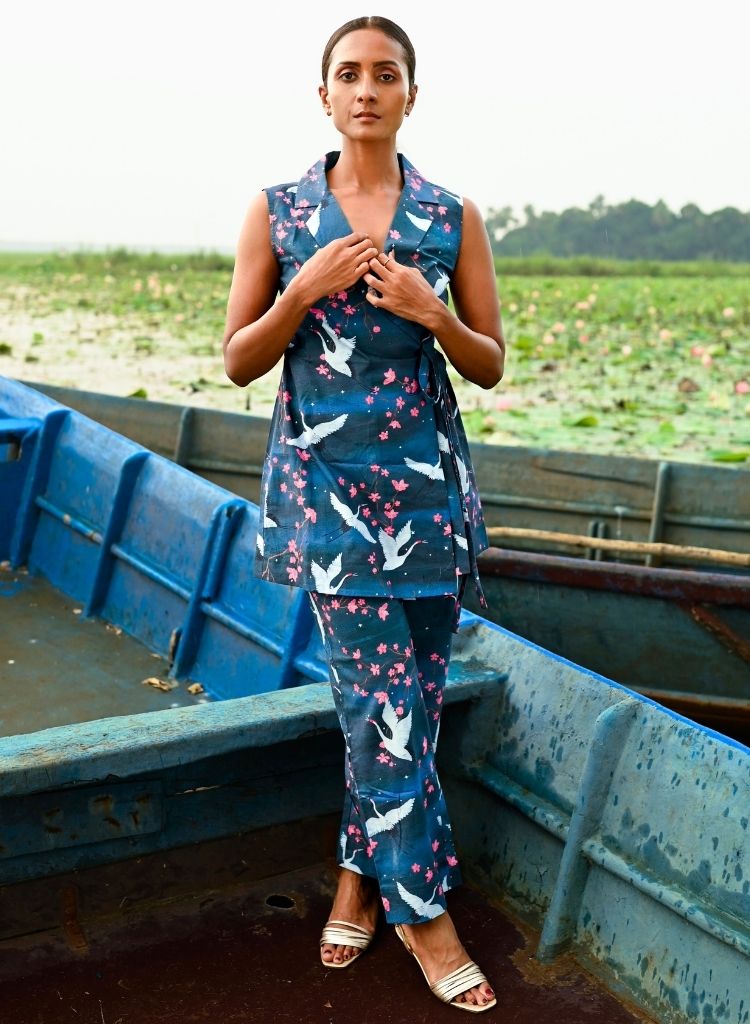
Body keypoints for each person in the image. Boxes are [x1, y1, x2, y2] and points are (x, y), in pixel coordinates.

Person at [223, 15, 504, 1013]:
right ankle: (425, 914)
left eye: (386, 74)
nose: (367, 89)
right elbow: (240, 359)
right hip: (330, 502)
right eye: (349, 74)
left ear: (410, 95)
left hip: (427, 501)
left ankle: (356, 876)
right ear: (325, 95)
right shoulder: (280, 212)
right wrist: (302, 291)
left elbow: (489, 362)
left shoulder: (450, 216)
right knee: (383, 705)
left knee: (405, 705)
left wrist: (433, 314)